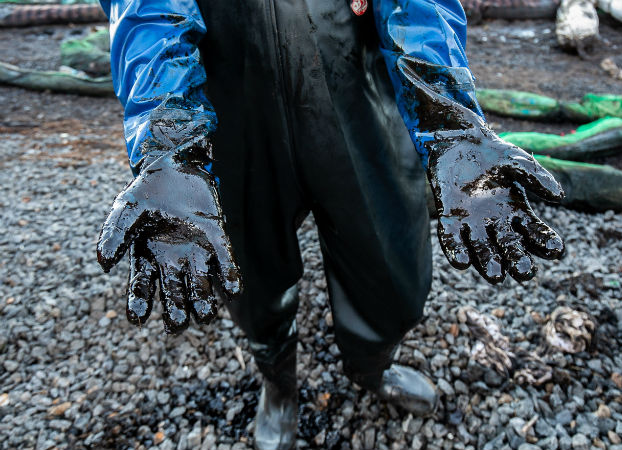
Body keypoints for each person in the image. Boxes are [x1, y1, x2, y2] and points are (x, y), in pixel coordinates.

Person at [96, 1, 565, 448]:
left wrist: (449, 118)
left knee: (392, 265)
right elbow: (148, 9)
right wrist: (169, 140)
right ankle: (277, 378)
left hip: (353, 77)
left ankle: (372, 364)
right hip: (230, 91)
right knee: (247, 270)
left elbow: (417, 4)